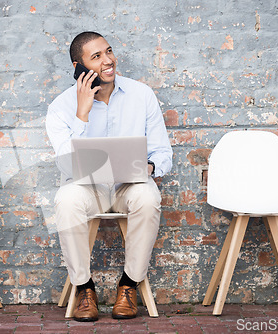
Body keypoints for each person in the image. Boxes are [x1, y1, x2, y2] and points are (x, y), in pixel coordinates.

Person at [46, 31, 172, 322]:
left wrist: (148, 167)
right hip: (88, 189)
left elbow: (163, 152)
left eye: (109, 52)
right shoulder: (61, 108)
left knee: (148, 197)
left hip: (128, 184)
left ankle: (129, 285)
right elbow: (67, 167)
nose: (108, 60)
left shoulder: (142, 95)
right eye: (97, 57)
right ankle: (84, 288)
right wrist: (82, 113)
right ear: (79, 68)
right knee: (65, 200)